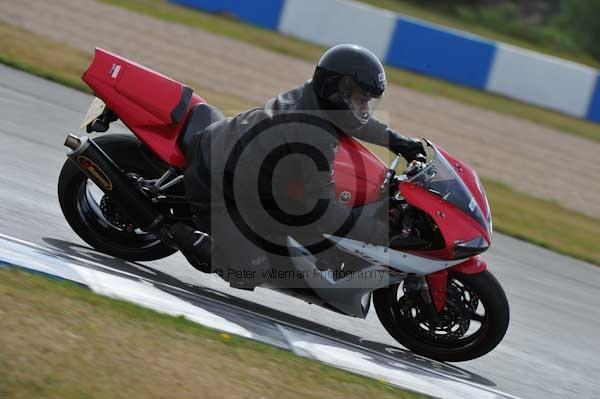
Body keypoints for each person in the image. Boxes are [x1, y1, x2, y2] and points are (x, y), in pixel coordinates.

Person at [172, 44, 426, 289]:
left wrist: (399, 142)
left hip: (245, 167)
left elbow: (356, 120)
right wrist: (376, 231)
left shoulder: (316, 99)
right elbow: (320, 209)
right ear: (340, 90)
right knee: (249, 270)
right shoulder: (310, 134)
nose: (364, 108)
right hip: (214, 184)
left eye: (368, 102)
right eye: (362, 100)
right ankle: (179, 232)